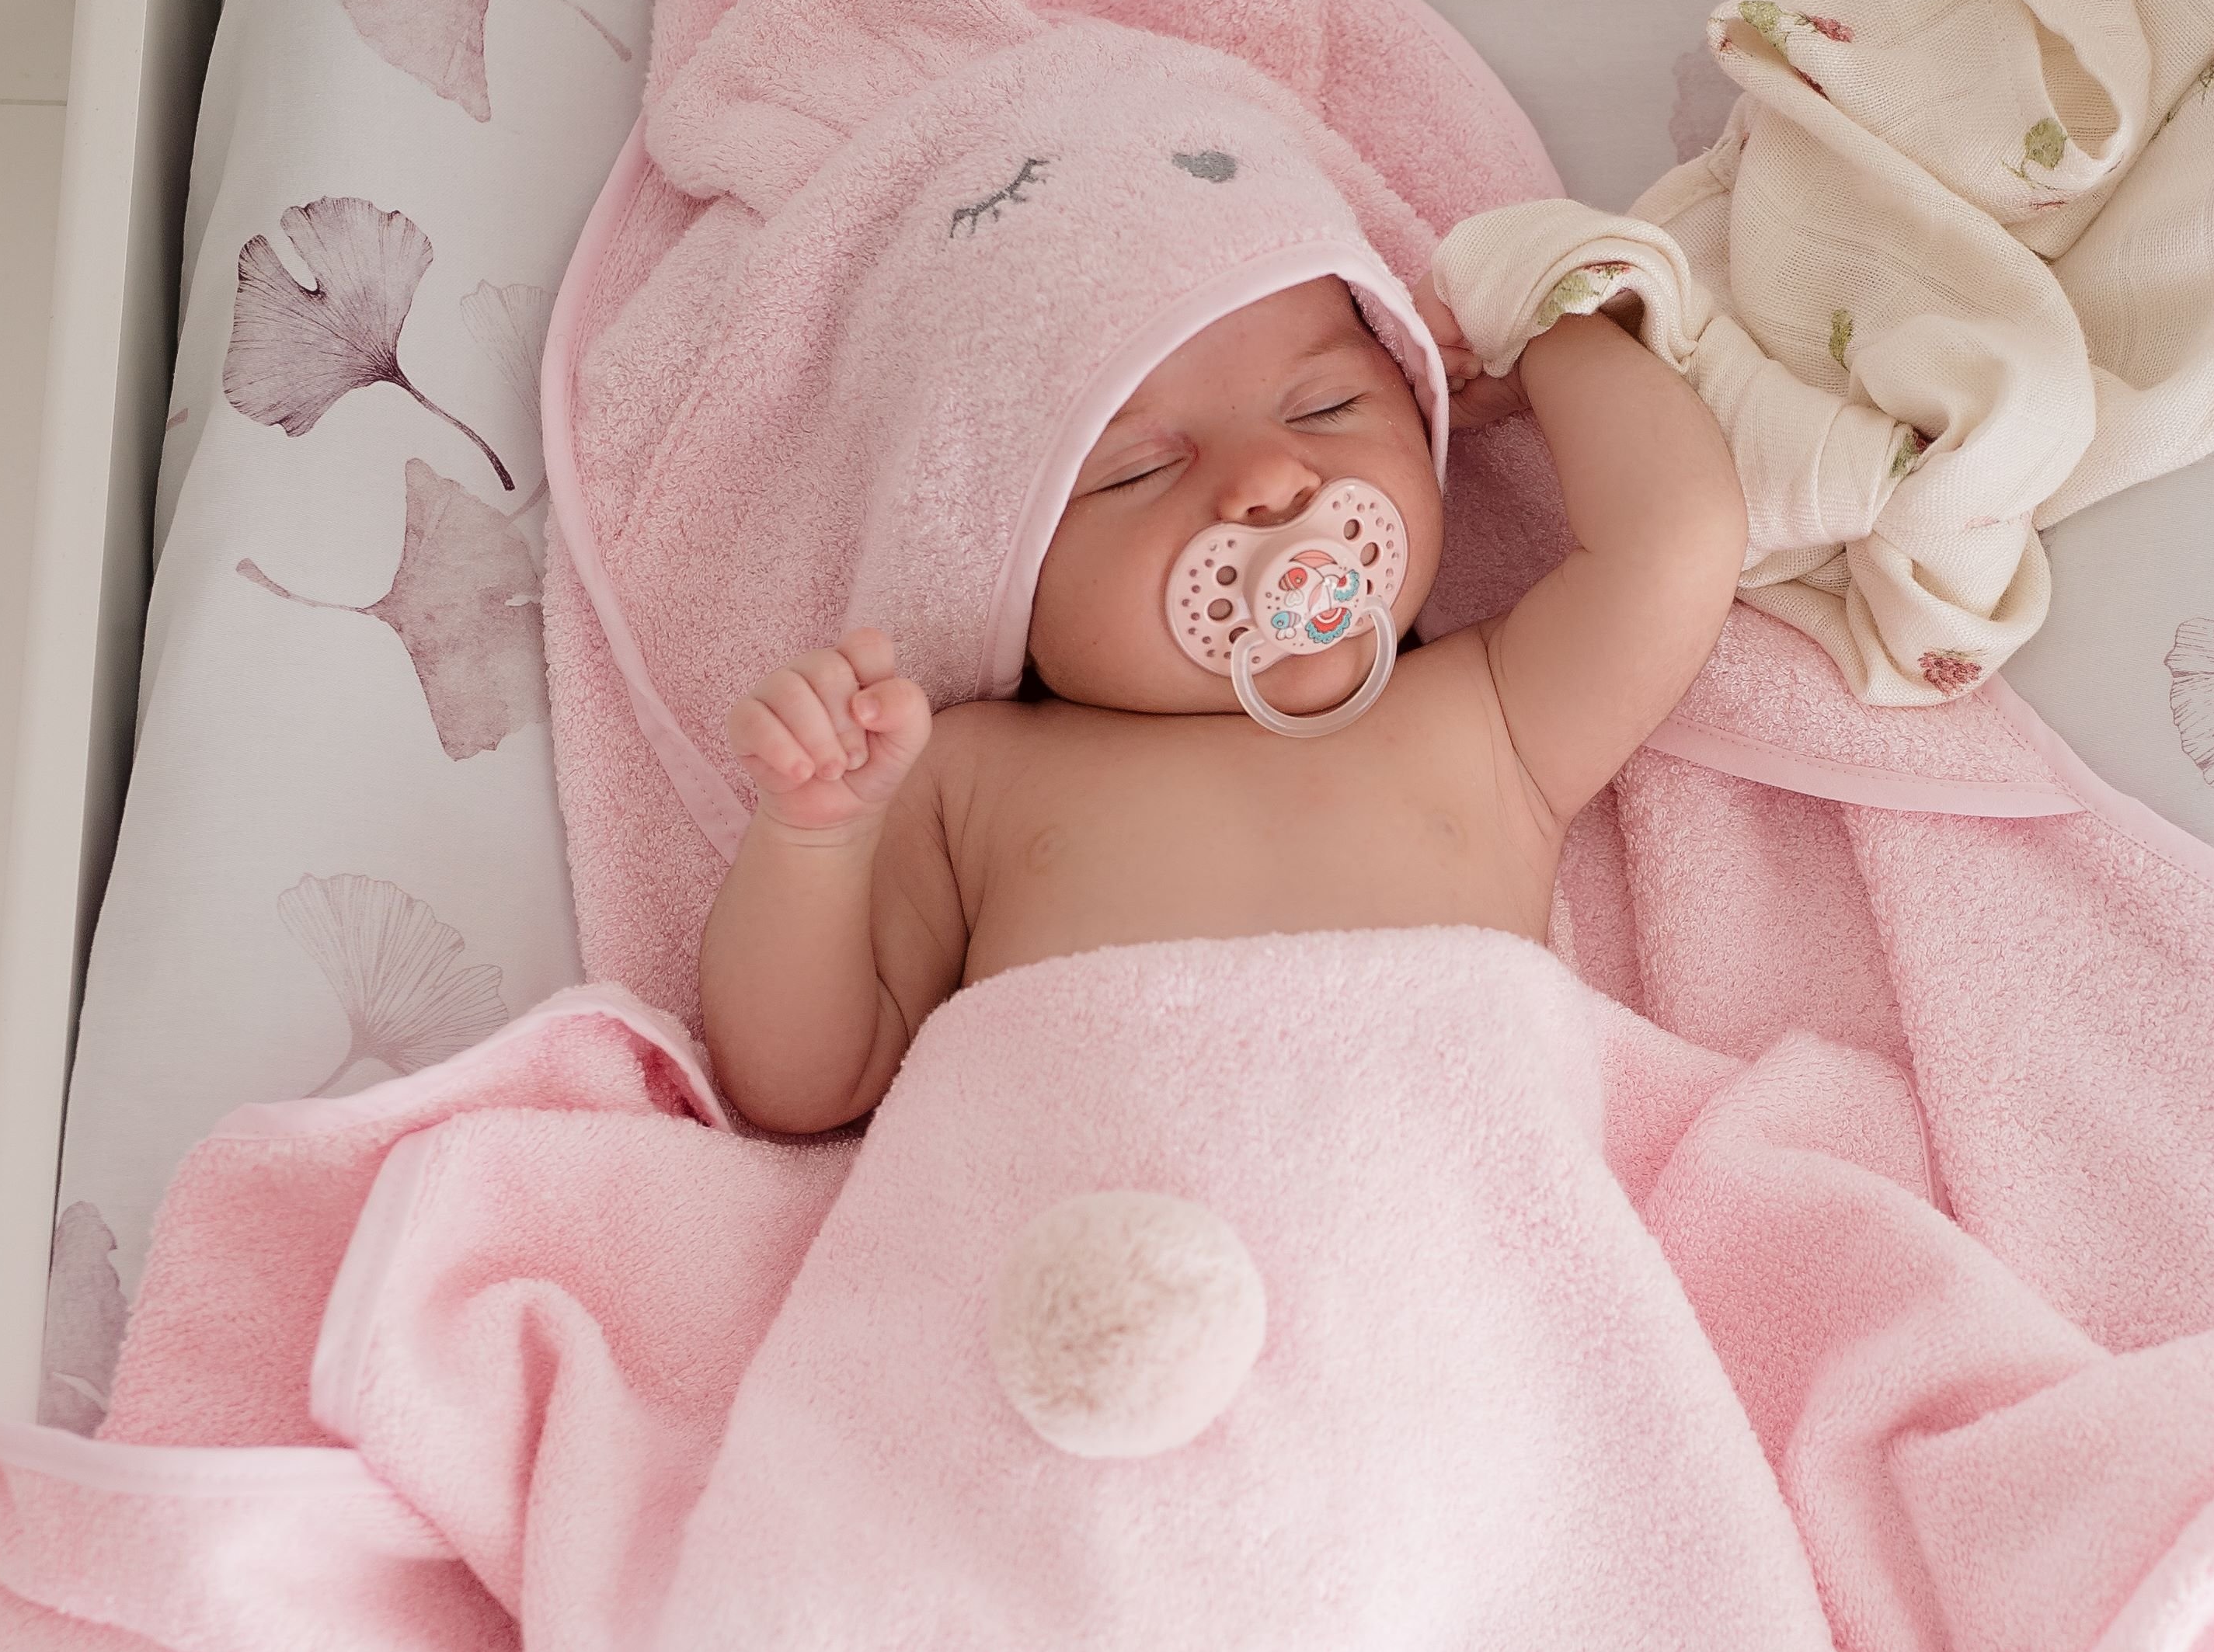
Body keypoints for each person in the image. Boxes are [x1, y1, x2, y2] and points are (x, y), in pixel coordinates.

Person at [694, 272, 1740, 1134]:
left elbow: (1673, 542)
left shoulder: (1493, 711)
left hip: (1417, 1212)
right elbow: (801, 1088)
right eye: (1139, 470)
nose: (1273, 481)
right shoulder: (970, 771)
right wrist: (816, 840)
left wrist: (1546, 332)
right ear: (1003, 571)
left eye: (1327, 409)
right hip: (1079, 1248)